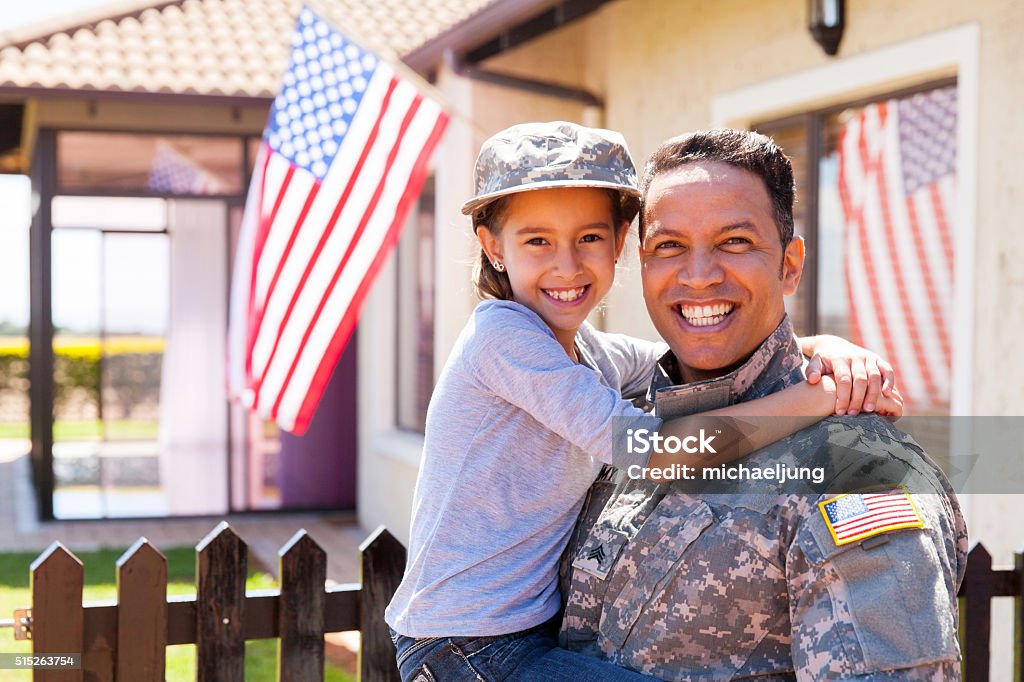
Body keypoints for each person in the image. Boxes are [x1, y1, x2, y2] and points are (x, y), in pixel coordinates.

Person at [384, 122, 902, 682]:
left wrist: (825, 346)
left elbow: (704, 338)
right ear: (493, 247)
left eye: (588, 238)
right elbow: (652, 452)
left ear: (619, 241)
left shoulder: (586, 352)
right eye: (538, 241)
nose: (567, 265)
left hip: (518, 632)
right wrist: (817, 396)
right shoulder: (502, 339)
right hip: (466, 644)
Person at [559, 128, 968, 680]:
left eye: (734, 242)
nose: (698, 276)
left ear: (790, 265)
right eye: (669, 246)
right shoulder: (614, 415)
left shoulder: (858, 468)